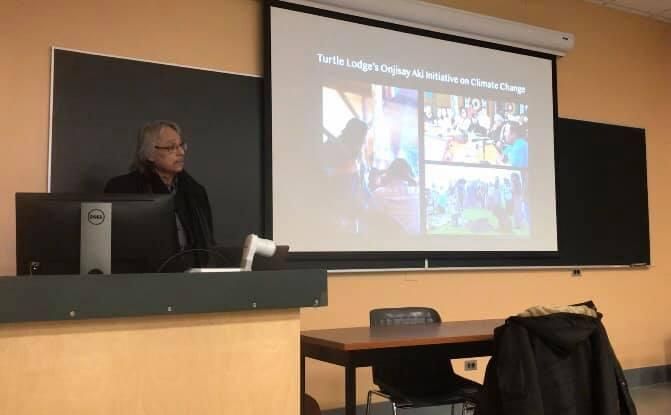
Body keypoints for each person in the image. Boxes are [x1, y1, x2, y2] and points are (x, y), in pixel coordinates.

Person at [104, 120, 214, 257]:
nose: (181, 152)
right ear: (149, 154)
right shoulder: (122, 189)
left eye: (181, 145)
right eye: (171, 147)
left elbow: (208, 244)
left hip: (192, 270)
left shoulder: (195, 191)